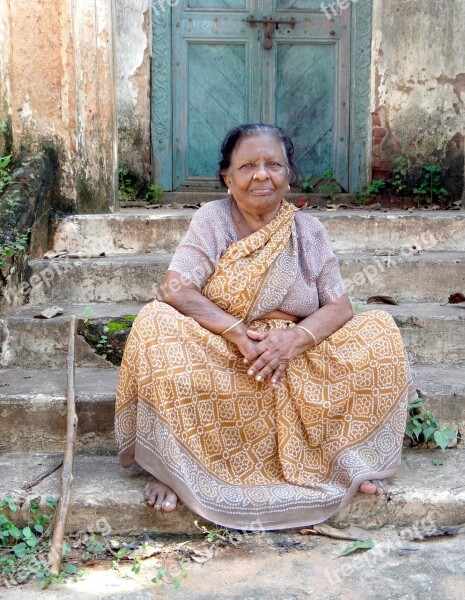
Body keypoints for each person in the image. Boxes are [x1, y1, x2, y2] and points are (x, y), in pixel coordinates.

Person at [115, 124, 415, 531]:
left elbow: (340, 305)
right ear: (228, 177)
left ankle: (350, 459)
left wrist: (293, 339)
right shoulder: (212, 220)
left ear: (288, 174)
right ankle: (172, 467)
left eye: (273, 164)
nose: (261, 175)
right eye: (248, 166)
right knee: (155, 321)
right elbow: (174, 286)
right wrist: (238, 333)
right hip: (228, 350)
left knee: (378, 328)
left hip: (296, 353)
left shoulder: (309, 231)